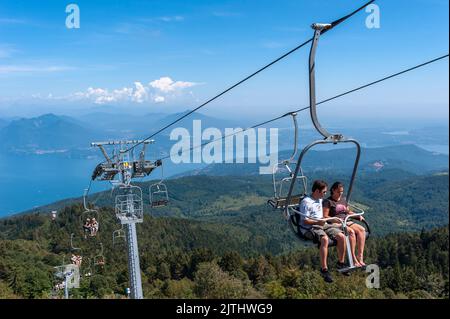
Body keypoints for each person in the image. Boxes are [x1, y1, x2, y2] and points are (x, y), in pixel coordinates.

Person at [298, 180, 347, 283]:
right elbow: (305, 220)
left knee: (341, 237)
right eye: (324, 192)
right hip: (310, 227)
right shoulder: (306, 202)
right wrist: (318, 221)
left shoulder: (320, 200)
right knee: (324, 239)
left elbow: (323, 216)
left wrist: (330, 221)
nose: (325, 194)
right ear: (317, 191)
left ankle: (341, 263)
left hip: (322, 224)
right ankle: (324, 269)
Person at [323, 182, 367, 267]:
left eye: (342, 191)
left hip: (346, 220)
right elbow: (325, 215)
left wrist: (357, 216)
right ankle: (353, 258)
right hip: (336, 223)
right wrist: (335, 220)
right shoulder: (328, 201)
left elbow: (347, 211)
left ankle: (360, 256)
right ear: (333, 190)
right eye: (338, 192)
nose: (340, 193)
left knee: (362, 230)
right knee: (351, 232)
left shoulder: (343, 200)